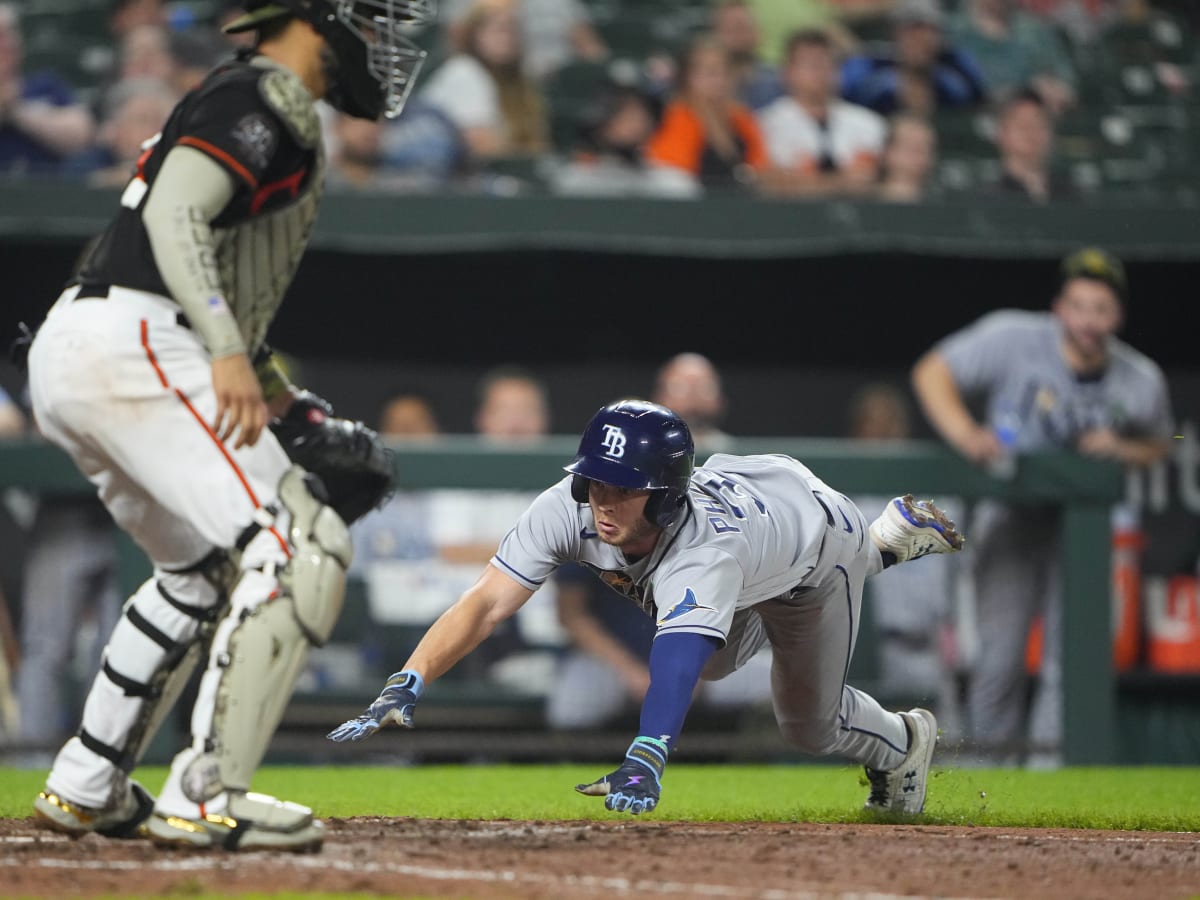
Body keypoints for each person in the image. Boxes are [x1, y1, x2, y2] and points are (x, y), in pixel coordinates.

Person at [25, 0, 432, 851]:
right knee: (298, 543)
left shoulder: (256, 99)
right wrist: (222, 350)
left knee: (198, 572)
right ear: (314, 17)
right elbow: (176, 215)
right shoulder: (261, 98)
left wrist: (276, 392)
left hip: (90, 343)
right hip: (138, 337)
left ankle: (87, 782)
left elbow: (209, 275)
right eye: (368, 15)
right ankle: (208, 793)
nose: (381, 35)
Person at [330, 399, 965, 817]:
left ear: (661, 494)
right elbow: (487, 601)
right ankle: (883, 549)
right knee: (718, 666)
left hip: (814, 550)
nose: (603, 499)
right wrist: (409, 678)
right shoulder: (567, 507)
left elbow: (678, 662)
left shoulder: (702, 553)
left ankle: (905, 736)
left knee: (806, 727)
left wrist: (648, 753)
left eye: (624, 488)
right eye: (595, 480)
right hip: (756, 511)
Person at [910, 247, 1174, 766]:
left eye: (1101, 309)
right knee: (999, 661)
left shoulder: (1138, 377)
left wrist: (1124, 450)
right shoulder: (1015, 338)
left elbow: (1165, 439)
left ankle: (1054, 777)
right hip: (1013, 516)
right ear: (1060, 308)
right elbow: (931, 371)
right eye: (1079, 306)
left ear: (1116, 317)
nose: (1089, 321)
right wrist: (967, 434)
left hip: (1084, 530)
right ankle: (984, 776)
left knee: (1069, 663)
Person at [756, 28, 887, 198]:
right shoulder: (765, 123)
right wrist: (842, 182)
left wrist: (807, 182)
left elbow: (877, 181)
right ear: (787, 73)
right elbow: (769, 184)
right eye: (811, 64)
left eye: (827, 63)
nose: (821, 72)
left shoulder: (869, 123)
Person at [419, 0, 549, 166]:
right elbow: (485, 150)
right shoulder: (463, 71)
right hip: (434, 177)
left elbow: (538, 143)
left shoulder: (519, 82)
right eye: (498, 29)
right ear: (474, 34)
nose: (506, 38)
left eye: (512, 30)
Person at [645, 34, 771, 194]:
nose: (720, 80)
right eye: (710, 72)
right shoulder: (678, 116)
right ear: (688, 77)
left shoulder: (741, 117)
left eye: (726, 71)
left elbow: (760, 166)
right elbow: (672, 179)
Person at [839, 0, 988, 117]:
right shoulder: (869, 67)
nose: (919, 40)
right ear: (896, 34)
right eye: (911, 33)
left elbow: (978, 108)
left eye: (928, 32)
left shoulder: (956, 72)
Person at [0, 3, 96, 176]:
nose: (8, 43)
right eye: (0, 36)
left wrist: (16, 111)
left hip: (47, 191)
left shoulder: (45, 84)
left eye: (11, 33)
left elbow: (82, 135)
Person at [947, 0, 1077, 115]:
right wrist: (1023, 90)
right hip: (973, 120)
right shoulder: (954, 33)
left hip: (1034, 119)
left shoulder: (1036, 31)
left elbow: (1066, 83)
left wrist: (1056, 90)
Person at [980, 86, 1075, 204]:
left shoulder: (1071, 194)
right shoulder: (989, 198)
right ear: (1001, 133)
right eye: (1022, 125)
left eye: (1039, 124)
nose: (1031, 133)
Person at [710, 0, 784, 111]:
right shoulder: (704, 84)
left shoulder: (778, 79)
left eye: (742, 27)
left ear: (757, 33)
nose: (736, 36)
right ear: (715, 33)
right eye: (729, 29)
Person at [875, 111, 939, 202]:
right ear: (888, 151)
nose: (920, 154)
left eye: (927, 147)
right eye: (911, 147)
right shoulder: (861, 198)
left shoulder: (943, 201)